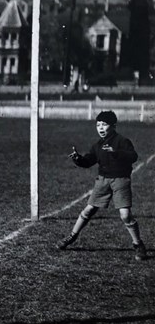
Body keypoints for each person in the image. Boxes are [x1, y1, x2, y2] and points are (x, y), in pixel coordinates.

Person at [57, 110, 147, 261]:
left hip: (120, 180)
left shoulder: (122, 141)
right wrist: (78, 159)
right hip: (103, 180)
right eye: (98, 125)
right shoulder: (97, 145)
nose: (100, 128)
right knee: (88, 210)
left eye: (104, 124)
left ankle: (138, 244)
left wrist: (115, 152)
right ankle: (72, 236)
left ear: (113, 126)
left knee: (125, 215)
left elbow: (133, 156)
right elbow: (88, 161)